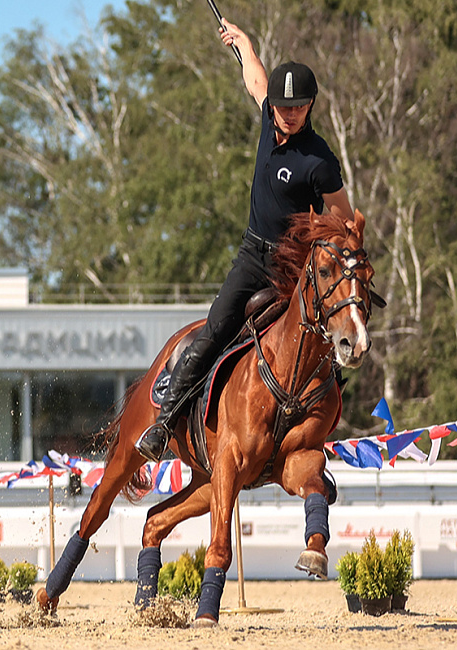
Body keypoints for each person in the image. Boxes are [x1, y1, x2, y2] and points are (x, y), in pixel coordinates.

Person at [134, 19, 357, 463]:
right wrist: (245, 44)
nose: (288, 113)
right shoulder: (265, 116)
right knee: (216, 329)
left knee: (314, 331)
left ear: (310, 106)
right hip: (252, 257)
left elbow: (344, 219)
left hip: (292, 270)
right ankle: (163, 424)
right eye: (282, 106)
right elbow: (254, 76)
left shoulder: (320, 160)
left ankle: (312, 434)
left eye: (298, 107)